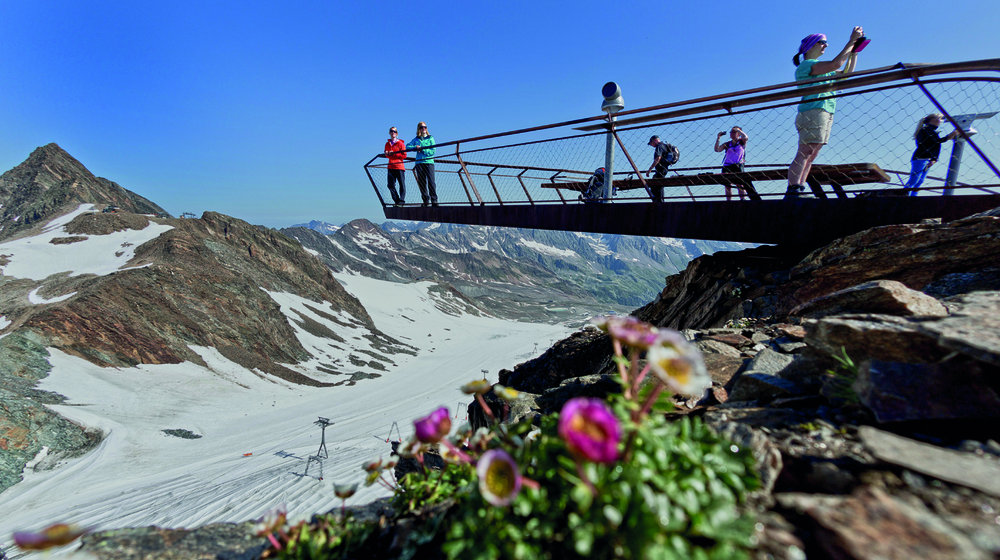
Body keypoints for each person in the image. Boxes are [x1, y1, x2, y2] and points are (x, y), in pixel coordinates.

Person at [786, 27, 864, 199]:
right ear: (810, 46)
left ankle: (799, 188)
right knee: (805, 151)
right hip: (813, 110)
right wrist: (851, 41)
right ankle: (793, 189)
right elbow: (836, 64)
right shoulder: (807, 65)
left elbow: (845, 74)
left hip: (825, 111)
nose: (826, 46)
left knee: (812, 153)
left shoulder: (822, 68)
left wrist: (854, 52)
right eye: (822, 42)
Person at [903, 113, 959, 196]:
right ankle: (903, 195)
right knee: (914, 180)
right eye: (939, 118)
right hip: (920, 158)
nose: (941, 121)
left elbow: (934, 145)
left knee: (920, 181)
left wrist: (934, 159)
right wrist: (950, 135)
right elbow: (936, 142)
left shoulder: (930, 131)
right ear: (932, 120)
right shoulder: (926, 130)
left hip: (926, 158)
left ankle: (912, 197)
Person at [714, 127, 751, 201]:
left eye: (734, 132)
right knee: (727, 185)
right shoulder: (727, 144)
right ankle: (729, 201)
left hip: (737, 165)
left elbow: (746, 137)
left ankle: (742, 199)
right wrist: (718, 138)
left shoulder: (741, 142)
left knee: (740, 183)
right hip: (727, 166)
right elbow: (717, 149)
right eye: (731, 132)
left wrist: (738, 130)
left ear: (738, 133)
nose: (732, 133)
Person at [407, 122, 437, 206]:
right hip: (419, 163)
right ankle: (425, 201)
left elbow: (433, 151)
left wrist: (423, 149)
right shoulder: (416, 139)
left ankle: (434, 200)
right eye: (421, 127)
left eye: (425, 127)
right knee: (422, 183)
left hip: (429, 162)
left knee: (431, 182)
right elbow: (407, 146)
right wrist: (415, 147)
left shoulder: (430, 138)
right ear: (419, 129)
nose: (423, 128)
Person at [645, 135, 676, 202]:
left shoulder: (659, 146)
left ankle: (659, 201)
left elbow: (658, 158)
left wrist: (650, 169)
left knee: (658, 185)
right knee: (657, 184)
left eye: (651, 143)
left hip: (661, 169)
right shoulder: (664, 146)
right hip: (664, 168)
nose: (651, 145)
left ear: (655, 140)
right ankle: (658, 200)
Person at [384, 127, 406, 205]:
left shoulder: (401, 144)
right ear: (389, 133)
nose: (393, 132)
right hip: (391, 166)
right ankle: (397, 201)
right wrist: (387, 153)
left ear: (397, 133)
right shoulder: (387, 144)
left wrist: (394, 153)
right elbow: (387, 155)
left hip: (399, 166)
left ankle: (401, 201)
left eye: (394, 131)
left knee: (402, 184)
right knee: (390, 185)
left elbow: (404, 155)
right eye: (391, 131)